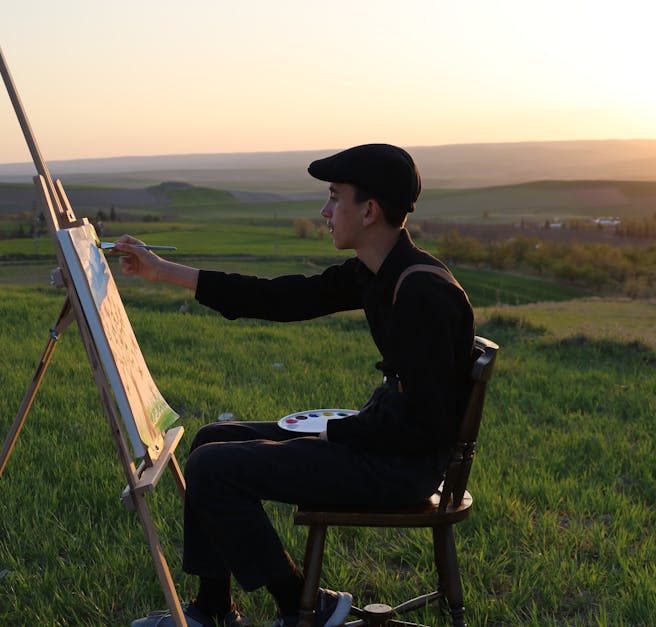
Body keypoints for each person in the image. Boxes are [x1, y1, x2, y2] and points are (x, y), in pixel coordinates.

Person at [119, 144, 476, 627]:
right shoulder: (377, 272)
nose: (325, 212)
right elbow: (280, 297)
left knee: (213, 468)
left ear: (369, 210)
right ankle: (213, 610)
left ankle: (303, 606)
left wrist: (337, 432)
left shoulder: (421, 294)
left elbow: (426, 427)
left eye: (334, 198)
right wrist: (161, 270)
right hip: (385, 441)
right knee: (210, 439)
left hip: (401, 467)